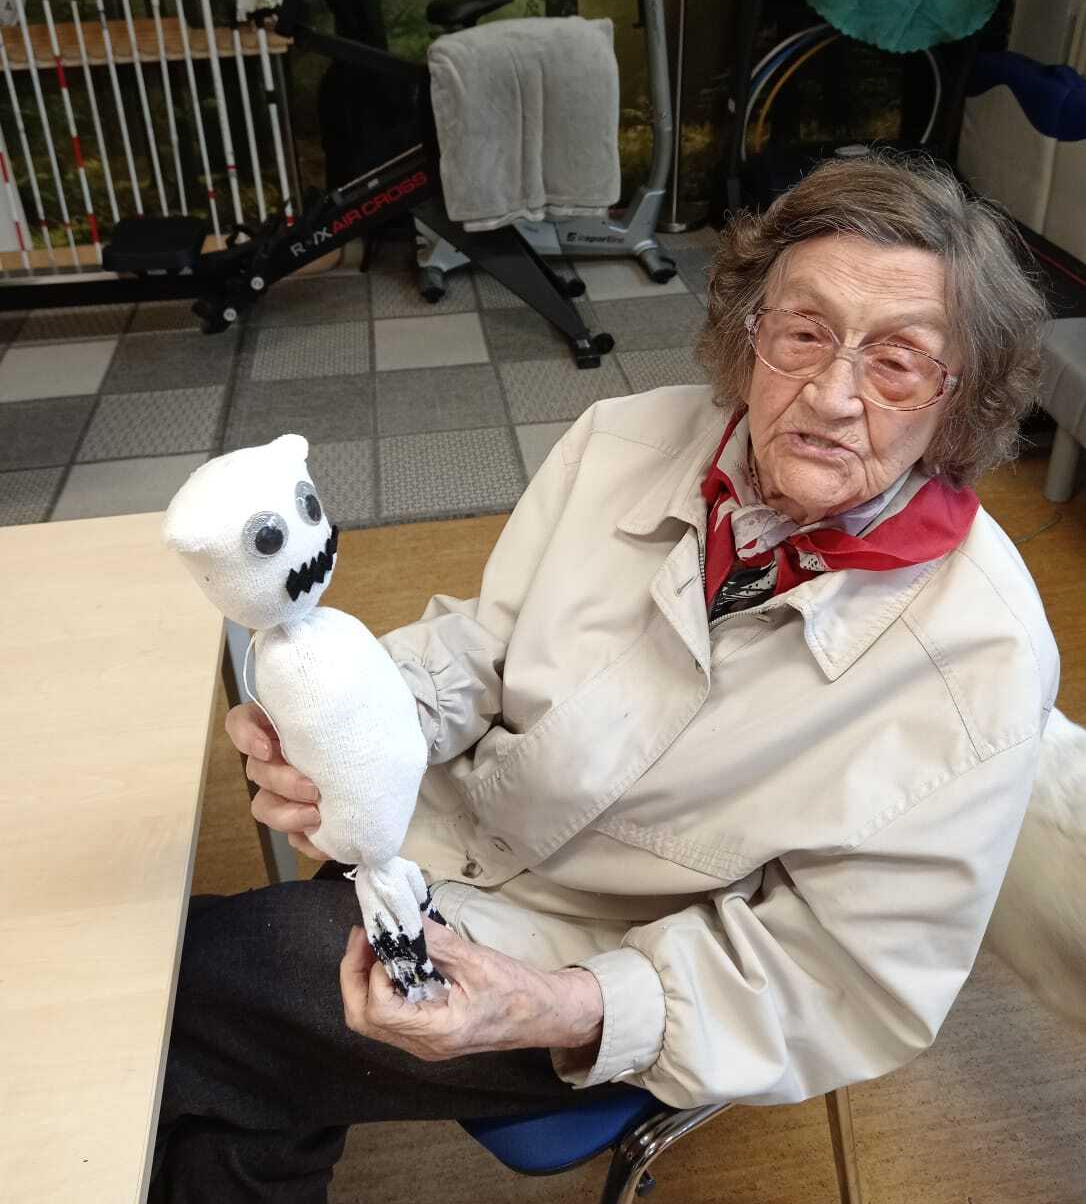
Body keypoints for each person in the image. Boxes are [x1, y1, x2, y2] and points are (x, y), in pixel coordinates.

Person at [151, 155, 1058, 1202]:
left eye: (897, 360)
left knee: (183, 992)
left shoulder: (981, 664)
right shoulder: (621, 440)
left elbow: (838, 976)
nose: (831, 393)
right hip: (428, 850)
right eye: (804, 332)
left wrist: (566, 1004)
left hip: (604, 973)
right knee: (237, 1084)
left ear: (960, 398)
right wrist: (367, 714)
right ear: (750, 332)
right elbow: (487, 643)